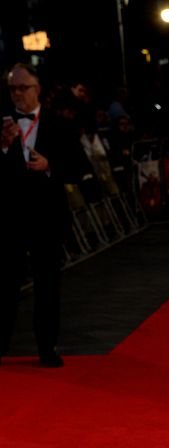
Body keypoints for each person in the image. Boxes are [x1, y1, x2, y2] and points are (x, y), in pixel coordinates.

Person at [0, 63, 71, 367]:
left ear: (37, 89)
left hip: (47, 218)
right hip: (9, 219)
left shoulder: (59, 124)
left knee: (47, 286)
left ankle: (47, 347)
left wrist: (50, 166)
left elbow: (80, 167)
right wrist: (3, 148)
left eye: (23, 87)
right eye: (13, 88)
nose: (17, 94)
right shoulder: (2, 126)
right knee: (4, 285)